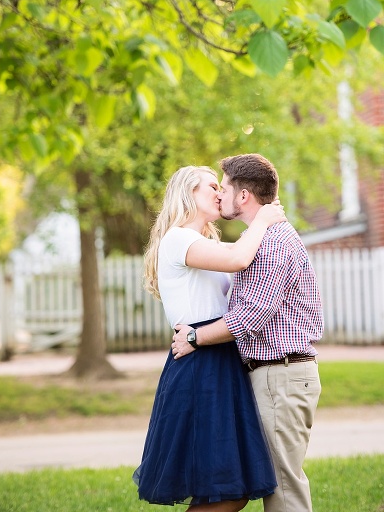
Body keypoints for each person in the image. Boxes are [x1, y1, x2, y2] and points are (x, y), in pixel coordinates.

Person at [171, 154, 324, 512]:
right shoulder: (258, 239)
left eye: (223, 187)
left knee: (283, 488)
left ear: (243, 196)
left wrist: (195, 338)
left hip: (281, 375)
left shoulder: (272, 242)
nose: (219, 194)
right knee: (275, 482)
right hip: (271, 376)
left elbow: (251, 315)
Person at [133, 165, 285, 509]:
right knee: (226, 488)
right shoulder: (178, 238)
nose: (220, 193)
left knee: (233, 488)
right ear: (188, 194)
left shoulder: (204, 242)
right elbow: (238, 259)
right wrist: (262, 219)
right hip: (199, 365)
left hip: (220, 360)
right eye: (212, 187)